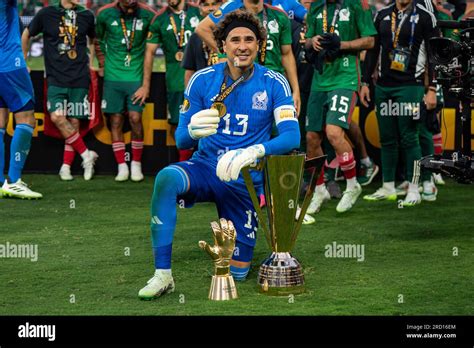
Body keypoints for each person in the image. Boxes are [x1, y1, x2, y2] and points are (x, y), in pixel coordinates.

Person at [138, 10, 300, 299]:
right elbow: (181, 138)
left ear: (259, 45)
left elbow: (292, 136)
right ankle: (162, 274)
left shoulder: (274, 82)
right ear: (222, 45)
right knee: (166, 178)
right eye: (234, 39)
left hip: (244, 180)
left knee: (237, 272)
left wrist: (254, 151)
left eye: (249, 39)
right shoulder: (202, 80)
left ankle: (236, 252)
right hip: (206, 168)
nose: (242, 46)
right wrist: (194, 132)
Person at [361, 0, 439, 205]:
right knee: (386, 138)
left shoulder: (425, 16)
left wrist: (432, 89)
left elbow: (434, 55)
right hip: (384, 86)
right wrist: (365, 82)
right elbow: (372, 50)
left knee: (409, 137)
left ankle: (415, 187)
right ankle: (388, 186)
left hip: (410, 86)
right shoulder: (382, 15)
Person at [304, 0, 376, 214]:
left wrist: (341, 44)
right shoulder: (316, 7)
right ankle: (319, 190)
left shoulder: (358, 5)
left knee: (334, 133)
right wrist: (313, 41)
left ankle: (353, 185)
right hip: (320, 79)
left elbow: (370, 41)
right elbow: (305, 41)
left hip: (345, 78)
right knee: (311, 138)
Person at [22, 0, 98, 181]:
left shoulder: (86, 15)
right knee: (57, 117)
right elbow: (26, 34)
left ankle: (65, 167)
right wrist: (23, 61)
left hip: (79, 78)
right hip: (55, 78)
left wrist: (92, 62)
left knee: (75, 122)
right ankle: (87, 155)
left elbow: (93, 40)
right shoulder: (46, 13)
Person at [195, 0, 301, 114]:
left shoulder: (279, 15)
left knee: (277, 129)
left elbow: (287, 54)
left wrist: (295, 90)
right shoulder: (231, 8)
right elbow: (202, 28)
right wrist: (225, 52)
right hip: (240, 81)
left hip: (271, 83)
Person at [95, 0, 157, 182]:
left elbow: (152, 44)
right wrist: (102, 62)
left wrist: (146, 83)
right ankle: (122, 166)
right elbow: (98, 39)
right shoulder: (104, 13)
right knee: (115, 120)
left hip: (136, 76)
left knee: (135, 118)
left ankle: (136, 164)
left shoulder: (149, 14)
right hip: (113, 77)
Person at [146, 0, 202, 162]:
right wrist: (145, 85)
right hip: (175, 81)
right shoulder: (160, 19)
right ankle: (184, 164)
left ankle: (202, 164)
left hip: (202, 79)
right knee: (177, 125)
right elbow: (149, 52)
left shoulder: (200, 11)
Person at [0, 0, 42, 199]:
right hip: (9, 62)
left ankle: (1, 182)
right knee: (26, 119)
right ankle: (14, 181)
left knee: (0, 121)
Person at [182, 0, 223, 87]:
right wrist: (188, 99)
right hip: (204, 91)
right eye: (206, 5)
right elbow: (189, 72)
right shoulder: (195, 37)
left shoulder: (231, 33)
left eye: (215, 4)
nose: (211, 8)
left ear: (222, 6)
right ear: (200, 9)